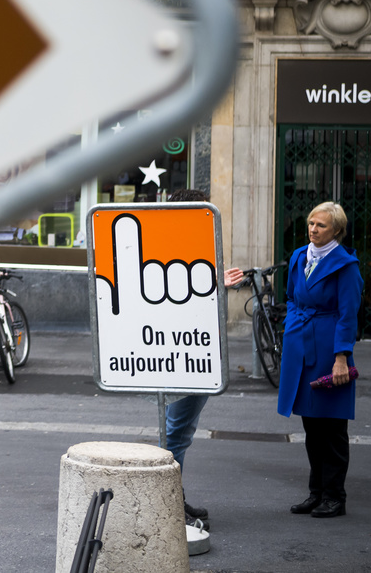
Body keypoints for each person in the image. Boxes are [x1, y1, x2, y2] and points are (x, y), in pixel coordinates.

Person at [229, 201, 362, 519]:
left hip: (329, 348)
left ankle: (335, 497)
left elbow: (348, 316)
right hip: (299, 343)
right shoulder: (300, 256)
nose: (313, 229)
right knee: (311, 424)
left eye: (321, 226)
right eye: (311, 223)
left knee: (331, 427)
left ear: (337, 231)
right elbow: (290, 296)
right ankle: (316, 493)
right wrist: (291, 327)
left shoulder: (346, 266)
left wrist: (341, 357)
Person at [160, 188, 217, 526]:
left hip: (196, 353)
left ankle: (173, 497)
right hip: (180, 353)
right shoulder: (171, 248)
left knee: (181, 432)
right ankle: (168, 505)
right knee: (175, 433)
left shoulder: (191, 245)